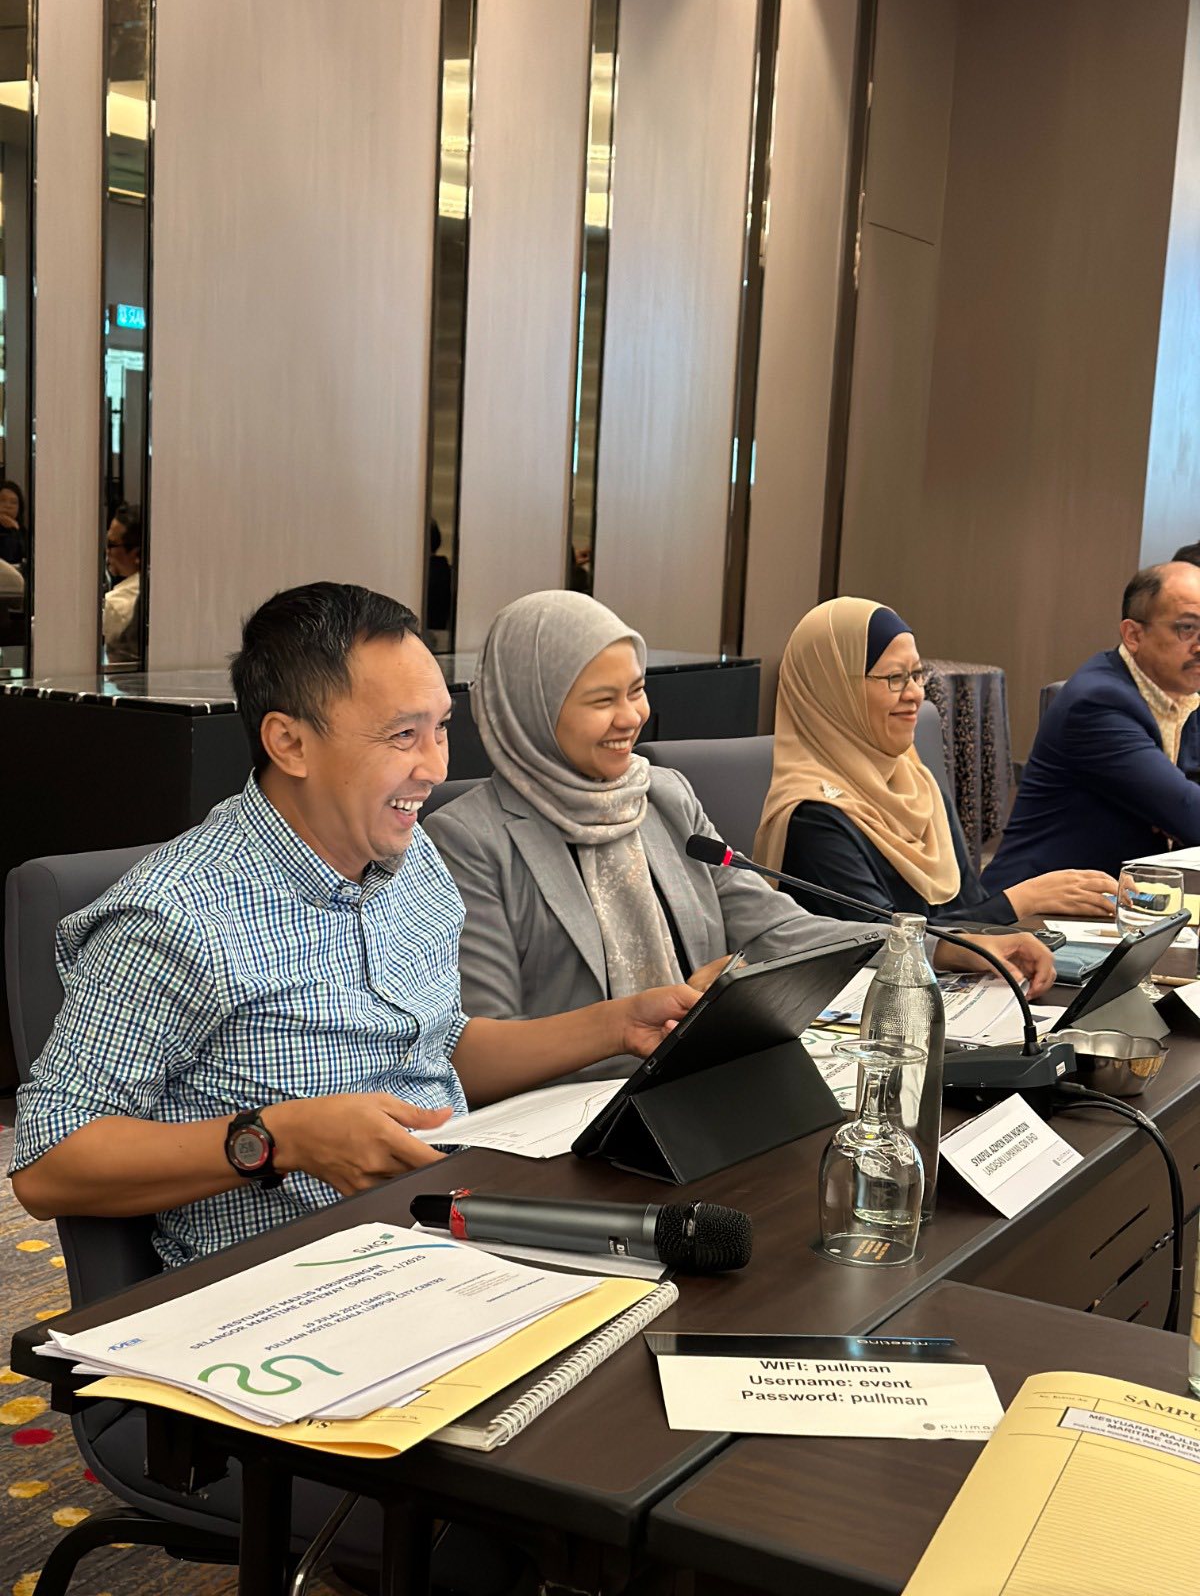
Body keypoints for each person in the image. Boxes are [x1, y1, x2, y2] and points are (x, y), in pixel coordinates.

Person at [9, 582, 699, 1270]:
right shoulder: (177, 915)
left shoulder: (412, 857)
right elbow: (47, 1163)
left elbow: (437, 1047)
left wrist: (616, 1026)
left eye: (441, 728)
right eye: (402, 736)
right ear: (290, 743)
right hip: (293, 1286)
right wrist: (278, 1141)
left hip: (453, 1239)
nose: (436, 767)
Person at [424, 591, 1054, 1038]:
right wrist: (654, 1015)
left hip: (698, 1080)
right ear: (531, 709)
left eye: (637, 690)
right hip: (566, 1117)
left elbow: (779, 928)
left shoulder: (662, 797)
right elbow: (483, 1039)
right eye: (601, 700)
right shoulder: (467, 840)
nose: (631, 717)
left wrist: (940, 949)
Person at [755, 597, 1116, 924]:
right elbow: (883, 945)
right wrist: (1023, 900)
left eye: (916, 674)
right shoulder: (813, 817)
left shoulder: (917, 784)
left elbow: (970, 909)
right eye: (894, 678)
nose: (915, 694)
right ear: (833, 690)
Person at [985, 562, 1200, 887]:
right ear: (1133, 635)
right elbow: (1188, 811)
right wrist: (1173, 808)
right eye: (1187, 628)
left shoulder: (1185, 695)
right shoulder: (1098, 702)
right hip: (1041, 905)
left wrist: (1174, 805)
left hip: (1125, 894)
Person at [103, 503, 142, 664]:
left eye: (112, 544)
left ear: (137, 553)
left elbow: (115, 668)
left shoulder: (116, 604)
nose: (107, 551)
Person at [0, 477, 27, 568]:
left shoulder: (23, 533)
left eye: (13, 502)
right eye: (2, 500)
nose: (8, 506)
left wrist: (14, 530)